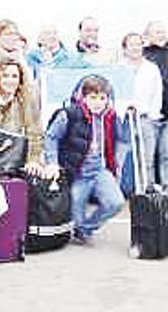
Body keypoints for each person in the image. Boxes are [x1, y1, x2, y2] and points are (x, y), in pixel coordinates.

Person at [43, 75, 126, 243]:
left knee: (116, 202)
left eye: (102, 98)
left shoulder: (111, 117)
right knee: (75, 213)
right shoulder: (69, 115)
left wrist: (117, 166)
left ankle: (86, 228)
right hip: (77, 172)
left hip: (99, 171)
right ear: (84, 98)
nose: (98, 102)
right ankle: (79, 228)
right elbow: (51, 137)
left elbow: (121, 141)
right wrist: (53, 163)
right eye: (93, 97)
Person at [0, 58, 43, 175]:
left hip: (12, 161)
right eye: (5, 76)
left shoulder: (27, 101)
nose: (10, 80)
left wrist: (33, 160)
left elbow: (34, 132)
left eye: (14, 76)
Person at [118, 32, 163, 190]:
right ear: (125, 48)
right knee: (122, 154)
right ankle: (121, 189)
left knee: (147, 157)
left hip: (145, 118)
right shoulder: (118, 68)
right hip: (124, 118)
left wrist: (153, 115)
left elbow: (157, 93)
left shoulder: (151, 68)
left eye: (139, 44)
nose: (136, 47)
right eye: (132, 44)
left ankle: (145, 189)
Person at [143, 21, 168, 188]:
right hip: (149, 116)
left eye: (163, 32)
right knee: (148, 156)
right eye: (157, 32)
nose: (161, 35)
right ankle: (149, 188)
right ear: (148, 36)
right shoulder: (143, 55)